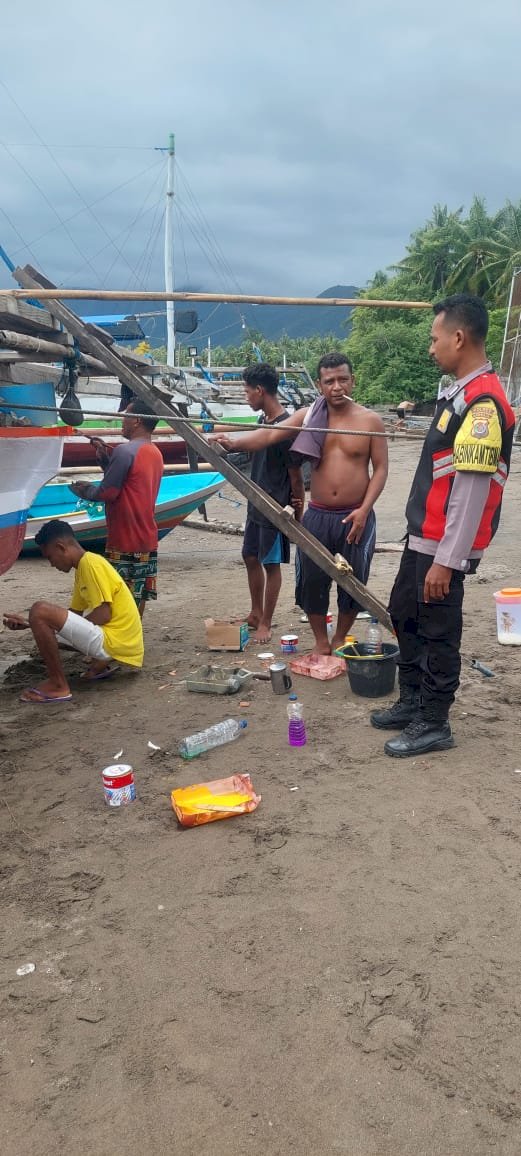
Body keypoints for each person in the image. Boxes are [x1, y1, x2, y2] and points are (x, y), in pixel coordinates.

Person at [371, 293, 516, 758]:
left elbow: (471, 493)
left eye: (435, 339)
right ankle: (412, 701)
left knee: (438, 629)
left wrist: (446, 563)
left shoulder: (483, 406)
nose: (431, 348)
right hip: (425, 534)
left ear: (458, 336)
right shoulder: (457, 393)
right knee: (404, 612)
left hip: (444, 544)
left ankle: (434, 721)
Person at [210, 353, 388, 654]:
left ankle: (339, 637)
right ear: (319, 385)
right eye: (329, 381)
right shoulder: (309, 416)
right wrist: (235, 443)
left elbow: (380, 468)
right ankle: (320, 641)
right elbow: (270, 434)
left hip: (355, 514)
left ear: (353, 380)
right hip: (318, 513)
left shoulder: (370, 420)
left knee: (353, 581)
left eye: (343, 379)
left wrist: (365, 509)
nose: (336, 386)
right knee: (312, 581)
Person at [3, 519, 144, 703]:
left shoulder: (91, 564)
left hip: (117, 640)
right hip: (119, 640)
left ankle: (58, 685)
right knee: (44, 625)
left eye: (50, 557)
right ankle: (100, 662)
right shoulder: (82, 567)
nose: (52, 564)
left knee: (39, 610)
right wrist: (31, 624)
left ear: (61, 547)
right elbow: (73, 616)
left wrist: (39, 619)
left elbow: (104, 614)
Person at [225, 362, 305, 644]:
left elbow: (296, 475)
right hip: (256, 503)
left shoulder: (286, 428)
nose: (246, 397)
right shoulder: (263, 423)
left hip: (274, 507)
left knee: (271, 565)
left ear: (260, 391)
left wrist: (297, 512)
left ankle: (267, 623)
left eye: (247, 392)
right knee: (249, 556)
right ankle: (255, 612)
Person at [70, 400, 163, 618]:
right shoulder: (155, 452)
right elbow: (129, 482)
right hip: (146, 535)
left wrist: (85, 490)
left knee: (117, 593)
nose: (122, 422)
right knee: (137, 591)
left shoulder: (124, 451)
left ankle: (114, 637)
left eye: (126, 417)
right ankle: (134, 632)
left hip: (125, 537)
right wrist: (105, 462)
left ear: (137, 421)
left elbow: (107, 493)